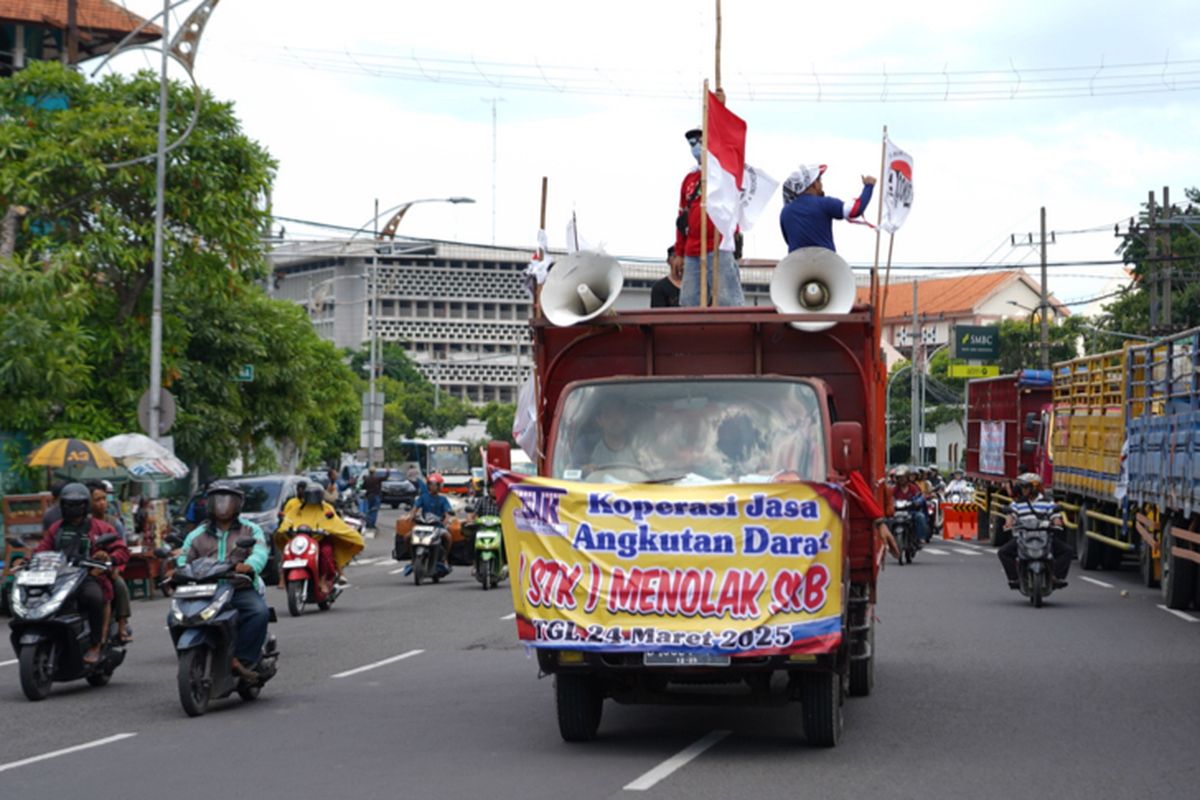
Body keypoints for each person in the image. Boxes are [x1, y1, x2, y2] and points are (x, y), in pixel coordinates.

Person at [176, 481, 270, 683]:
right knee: (173, 618)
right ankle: (190, 656)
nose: (222, 505)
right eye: (218, 499)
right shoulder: (197, 534)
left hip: (238, 587)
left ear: (238, 503)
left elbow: (260, 552)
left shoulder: (250, 530)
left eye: (227, 499)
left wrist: (250, 565)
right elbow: (184, 558)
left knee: (258, 612)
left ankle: (242, 660)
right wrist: (177, 569)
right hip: (204, 590)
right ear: (209, 503)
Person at [34, 482, 129, 664]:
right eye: (69, 504)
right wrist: (31, 560)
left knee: (94, 597)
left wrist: (109, 557)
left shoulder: (101, 528)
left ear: (85, 505)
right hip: (59, 577)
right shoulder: (56, 529)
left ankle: (96, 644)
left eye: (77, 504)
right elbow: (43, 548)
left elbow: (121, 550)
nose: (73, 508)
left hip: (87, 577)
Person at [675, 128, 745, 307]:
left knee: (728, 300)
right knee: (689, 302)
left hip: (719, 245)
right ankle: (690, 335)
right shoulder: (689, 179)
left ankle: (734, 333)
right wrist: (679, 252)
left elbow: (733, 204)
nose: (696, 146)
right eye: (692, 143)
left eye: (700, 140)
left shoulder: (722, 173)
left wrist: (734, 236)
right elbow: (681, 217)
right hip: (692, 250)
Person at [277, 482, 364, 594]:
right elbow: (288, 519)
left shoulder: (327, 508)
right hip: (301, 540)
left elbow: (334, 523)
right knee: (287, 550)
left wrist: (326, 530)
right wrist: (284, 529)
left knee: (326, 551)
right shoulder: (297, 508)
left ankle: (323, 580)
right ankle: (283, 577)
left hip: (319, 540)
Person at [998, 472, 1073, 590]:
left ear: (1034, 488)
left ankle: (1056, 577)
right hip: (1023, 537)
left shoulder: (1047, 502)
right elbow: (1011, 514)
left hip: (1044, 536)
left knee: (1067, 551)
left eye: (1026, 487)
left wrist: (1057, 521)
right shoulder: (1017, 503)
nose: (1023, 490)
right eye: (1022, 487)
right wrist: (1009, 521)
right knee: (1003, 552)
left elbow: (1054, 514)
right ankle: (1015, 578)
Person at [780, 164, 876, 253]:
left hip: (796, 265)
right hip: (826, 263)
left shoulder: (785, 212)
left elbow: (788, 240)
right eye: (819, 180)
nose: (821, 185)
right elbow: (855, 209)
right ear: (813, 184)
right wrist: (869, 186)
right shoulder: (823, 203)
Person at [87, 481, 132, 643]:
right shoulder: (81, 523)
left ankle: (121, 625)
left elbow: (123, 550)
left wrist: (116, 567)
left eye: (104, 498)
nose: (102, 503)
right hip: (86, 568)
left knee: (119, 586)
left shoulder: (114, 523)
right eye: (97, 499)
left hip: (109, 567)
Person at [410, 472, 454, 573]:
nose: (433, 487)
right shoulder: (423, 497)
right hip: (423, 525)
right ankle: (412, 558)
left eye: (435, 485)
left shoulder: (443, 499)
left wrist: (446, 520)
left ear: (439, 486)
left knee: (448, 537)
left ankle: (445, 558)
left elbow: (448, 512)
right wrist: (411, 515)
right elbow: (415, 508)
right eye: (431, 484)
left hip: (438, 526)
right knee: (407, 537)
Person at [888, 465, 931, 544]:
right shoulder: (894, 488)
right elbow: (890, 497)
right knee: (886, 520)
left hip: (910, 511)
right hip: (897, 512)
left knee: (920, 517)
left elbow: (920, 496)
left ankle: (920, 537)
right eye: (899, 477)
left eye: (903, 477)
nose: (901, 479)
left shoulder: (913, 487)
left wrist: (917, 502)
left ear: (907, 478)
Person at [361, 467, 384, 531]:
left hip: (369, 495)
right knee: (374, 510)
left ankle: (368, 523)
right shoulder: (377, 478)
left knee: (369, 509)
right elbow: (385, 477)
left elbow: (363, 487)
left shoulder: (367, 479)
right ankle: (372, 524)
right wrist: (388, 471)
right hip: (376, 495)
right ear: (374, 472)